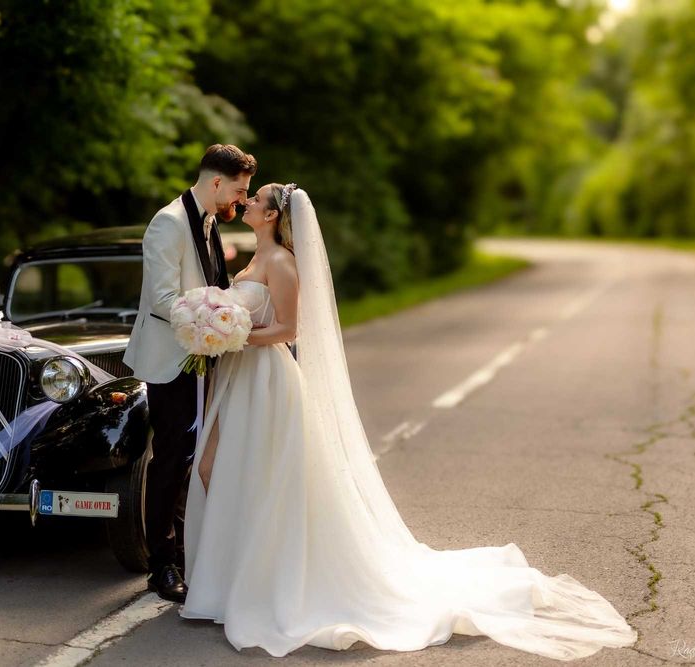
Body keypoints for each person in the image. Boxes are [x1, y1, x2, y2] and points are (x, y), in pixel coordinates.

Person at [178, 183, 638, 660]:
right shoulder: (254, 260)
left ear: (272, 216)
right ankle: (230, 581)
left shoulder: (282, 264)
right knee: (218, 469)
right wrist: (219, 332)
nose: (248, 202)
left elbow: (291, 330)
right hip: (239, 381)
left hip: (267, 381)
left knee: (260, 478)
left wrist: (234, 337)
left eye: (258, 200)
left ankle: (264, 583)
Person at [123, 144, 256, 602]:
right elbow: (161, 298)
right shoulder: (168, 223)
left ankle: (189, 551)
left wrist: (224, 313)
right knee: (171, 460)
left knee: (196, 458)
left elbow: (211, 279)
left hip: (204, 355)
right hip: (171, 359)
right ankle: (160, 565)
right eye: (239, 191)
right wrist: (210, 316)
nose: (241, 200)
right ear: (216, 182)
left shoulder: (210, 219)